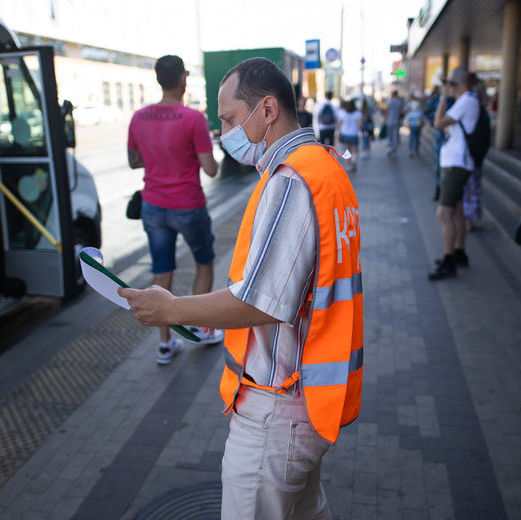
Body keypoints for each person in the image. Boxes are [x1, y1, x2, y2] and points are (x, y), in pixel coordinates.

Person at [118, 57, 362, 519]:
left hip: (277, 408)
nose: (224, 132)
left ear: (267, 110)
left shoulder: (292, 181)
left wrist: (171, 310)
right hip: (305, 399)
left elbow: (262, 302)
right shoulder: (326, 168)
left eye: (229, 119)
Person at [126, 55, 223, 364]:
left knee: (161, 273)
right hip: (188, 205)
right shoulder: (193, 119)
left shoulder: (138, 117)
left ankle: (166, 345)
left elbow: (133, 161)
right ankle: (201, 328)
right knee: (204, 263)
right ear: (182, 79)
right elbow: (211, 170)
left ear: (158, 80)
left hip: (153, 206)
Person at [428, 67, 480, 280]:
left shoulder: (466, 101)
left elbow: (438, 123)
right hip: (455, 161)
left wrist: (442, 97)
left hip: (457, 164)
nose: (446, 87)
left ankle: (449, 261)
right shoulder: (466, 101)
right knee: (457, 210)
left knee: (444, 213)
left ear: (455, 83)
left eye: (448, 83)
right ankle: (459, 252)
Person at [463, 74, 487, 228]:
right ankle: (468, 218)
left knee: (470, 189)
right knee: (472, 189)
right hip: (472, 156)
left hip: (471, 156)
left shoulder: (476, 111)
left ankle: (468, 218)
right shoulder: (477, 111)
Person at [423, 85, 446, 200]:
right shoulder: (439, 99)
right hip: (440, 137)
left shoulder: (459, 100)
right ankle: (438, 189)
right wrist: (434, 121)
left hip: (450, 140)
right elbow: (425, 110)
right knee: (438, 165)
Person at [337, 98, 362, 172]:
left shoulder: (342, 113)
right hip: (354, 134)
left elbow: (338, 125)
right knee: (354, 151)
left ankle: (348, 165)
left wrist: (338, 132)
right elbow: (360, 125)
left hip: (345, 134)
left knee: (346, 151)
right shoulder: (358, 113)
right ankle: (353, 163)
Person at [384, 90, 405, 156]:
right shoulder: (399, 102)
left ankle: (389, 146)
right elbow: (402, 111)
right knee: (395, 134)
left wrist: (385, 119)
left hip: (389, 120)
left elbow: (387, 111)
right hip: (396, 120)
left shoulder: (389, 101)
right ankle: (394, 147)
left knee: (389, 134)